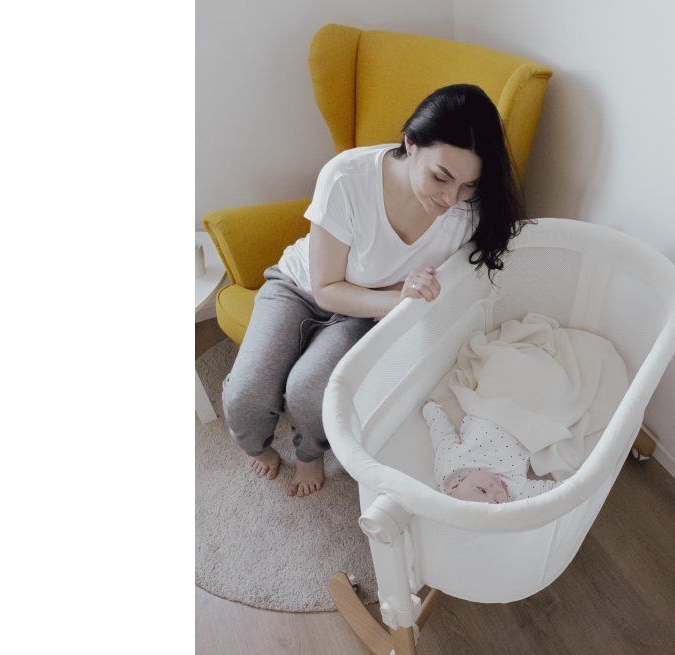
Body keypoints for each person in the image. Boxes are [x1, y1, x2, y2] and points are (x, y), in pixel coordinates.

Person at [221, 83, 534, 497]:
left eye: (468, 185)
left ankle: (310, 452)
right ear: (410, 143)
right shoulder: (347, 176)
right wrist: (398, 297)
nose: (450, 197)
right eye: (441, 177)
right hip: (301, 286)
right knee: (245, 397)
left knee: (310, 392)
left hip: (365, 312)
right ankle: (258, 446)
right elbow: (326, 287)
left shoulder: (468, 214)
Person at [422, 401, 561, 503]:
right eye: (497, 502)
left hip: (486, 409)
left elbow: (442, 435)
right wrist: (573, 487)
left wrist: (431, 410)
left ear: (455, 486)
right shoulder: (516, 492)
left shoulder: (449, 466)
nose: (497, 491)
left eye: (482, 490)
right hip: (525, 423)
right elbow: (554, 492)